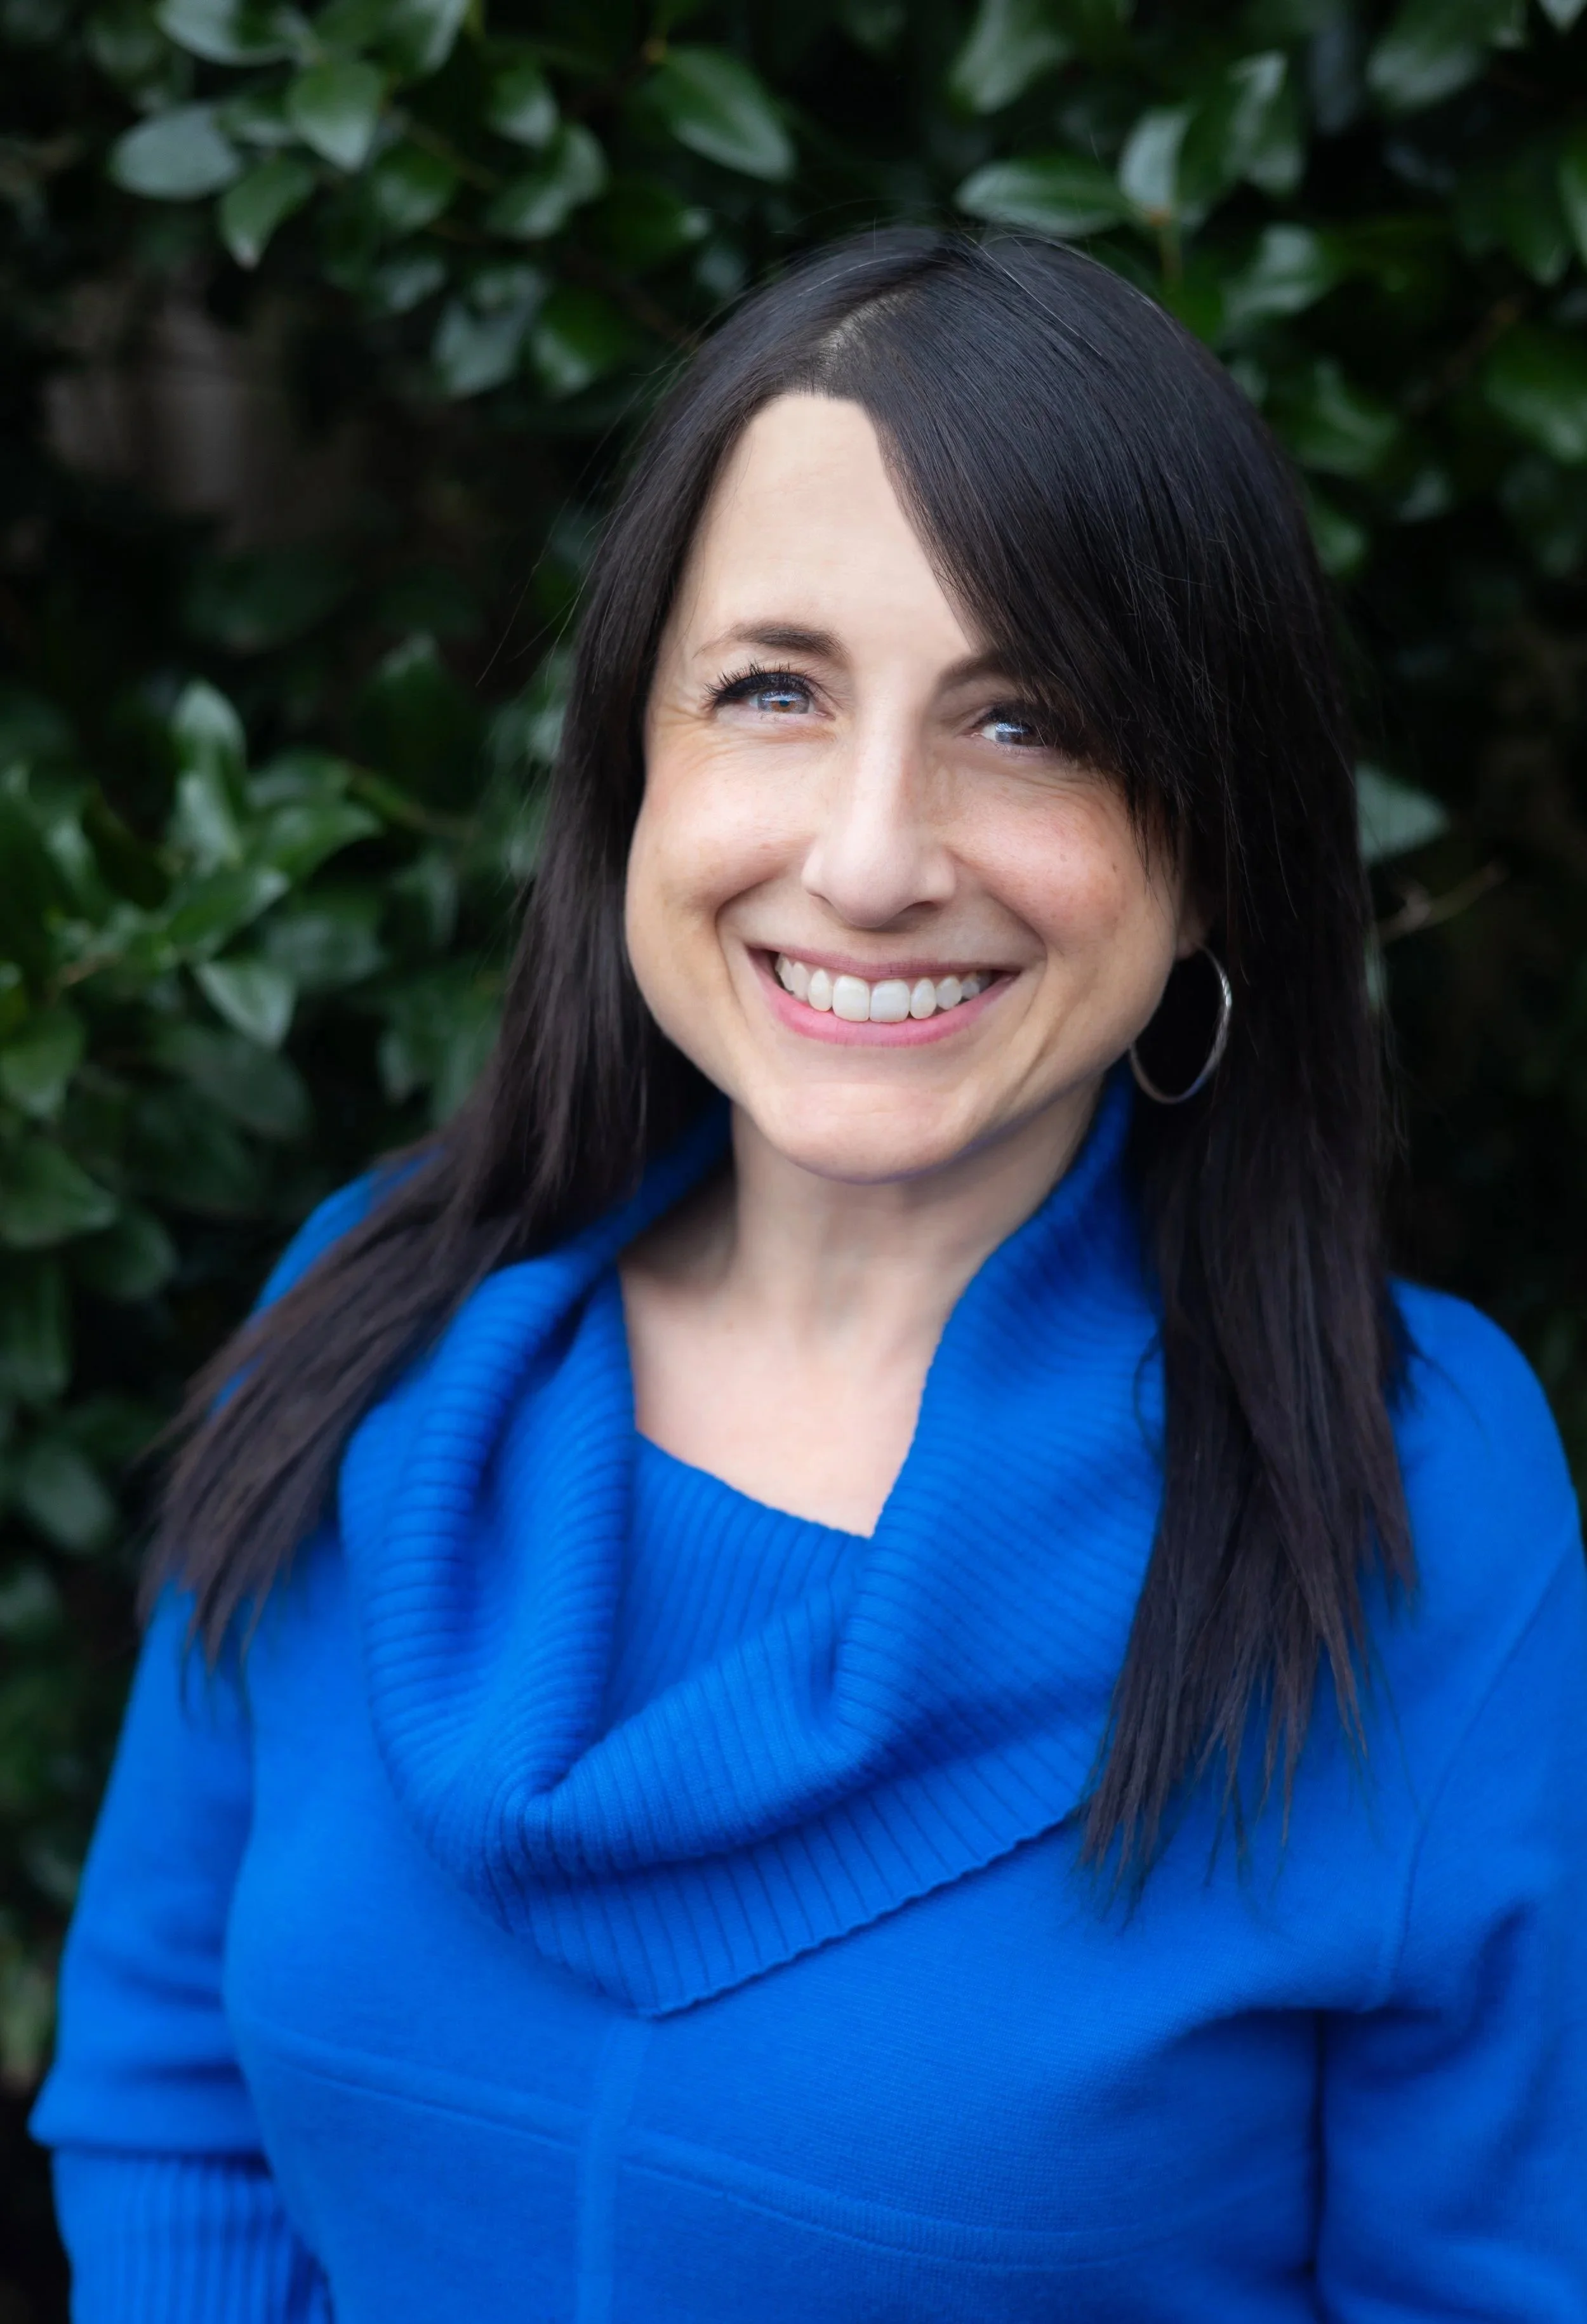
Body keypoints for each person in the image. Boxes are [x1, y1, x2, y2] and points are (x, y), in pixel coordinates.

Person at [31, 230, 1587, 2322]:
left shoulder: (1403, 1500)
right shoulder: (369, 1329)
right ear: (630, 766)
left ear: (1212, 839)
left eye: (1026, 719)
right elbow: (166, 2095)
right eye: (773, 689)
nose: (868, 855)